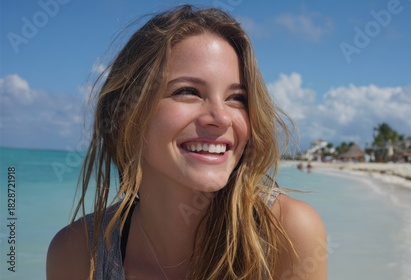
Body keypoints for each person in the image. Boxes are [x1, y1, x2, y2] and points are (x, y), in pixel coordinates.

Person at [47, 5, 327, 280]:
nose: (221, 118)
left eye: (236, 98)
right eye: (188, 92)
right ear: (126, 115)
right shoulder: (78, 254)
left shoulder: (284, 234)